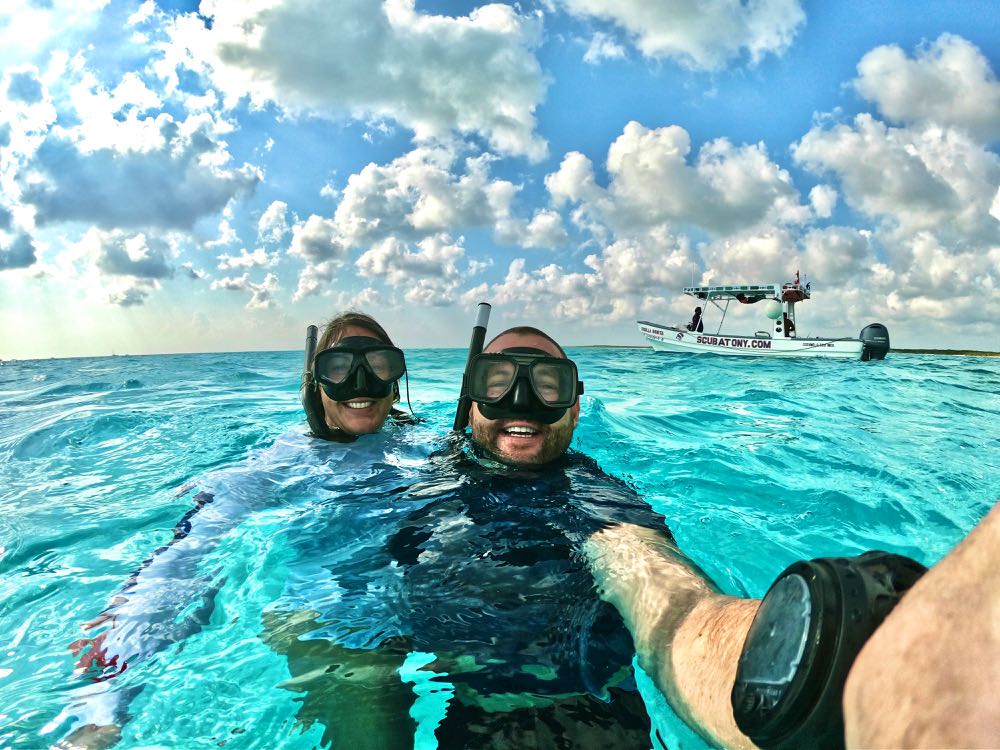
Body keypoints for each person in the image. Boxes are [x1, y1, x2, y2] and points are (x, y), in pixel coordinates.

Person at [59, 311, 414, 750]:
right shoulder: (286, 460)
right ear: (315, 383)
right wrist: (118, 659)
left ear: (396, 377)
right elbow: (194, 547)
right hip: (330, 626)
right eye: (339, 368)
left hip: (421, 613)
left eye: (378, 365)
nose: (360, 383)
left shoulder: (420, 445)